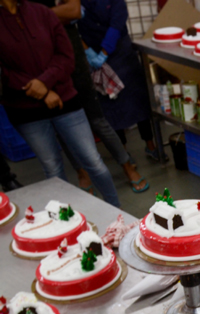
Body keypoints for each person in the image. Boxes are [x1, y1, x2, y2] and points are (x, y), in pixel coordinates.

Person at [0, 0, 120, 207]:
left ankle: (117, 212)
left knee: (94, 162)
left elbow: (65, 55)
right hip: (25, 110)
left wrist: (45, 83)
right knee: (52, 170)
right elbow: (4, 72)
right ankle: (65, 221)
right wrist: (42, 92)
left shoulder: (42, 13)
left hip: (65, 100)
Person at [31, 0, 149, 193]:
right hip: (48, 58)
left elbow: (73, 11)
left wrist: (37, 16)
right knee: (61, 123)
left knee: (99, 118)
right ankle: (82, 174)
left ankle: (127, 165)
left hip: (78, 57)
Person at [78, 0, 160, 162]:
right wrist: (87, 51)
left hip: (121, 52)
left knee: (138, 101)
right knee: (110, 106)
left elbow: (116, 25)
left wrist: (104, 52)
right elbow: (71, 29)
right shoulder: (76, 3)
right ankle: (123, 153)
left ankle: (150, 145)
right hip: (94, 53)